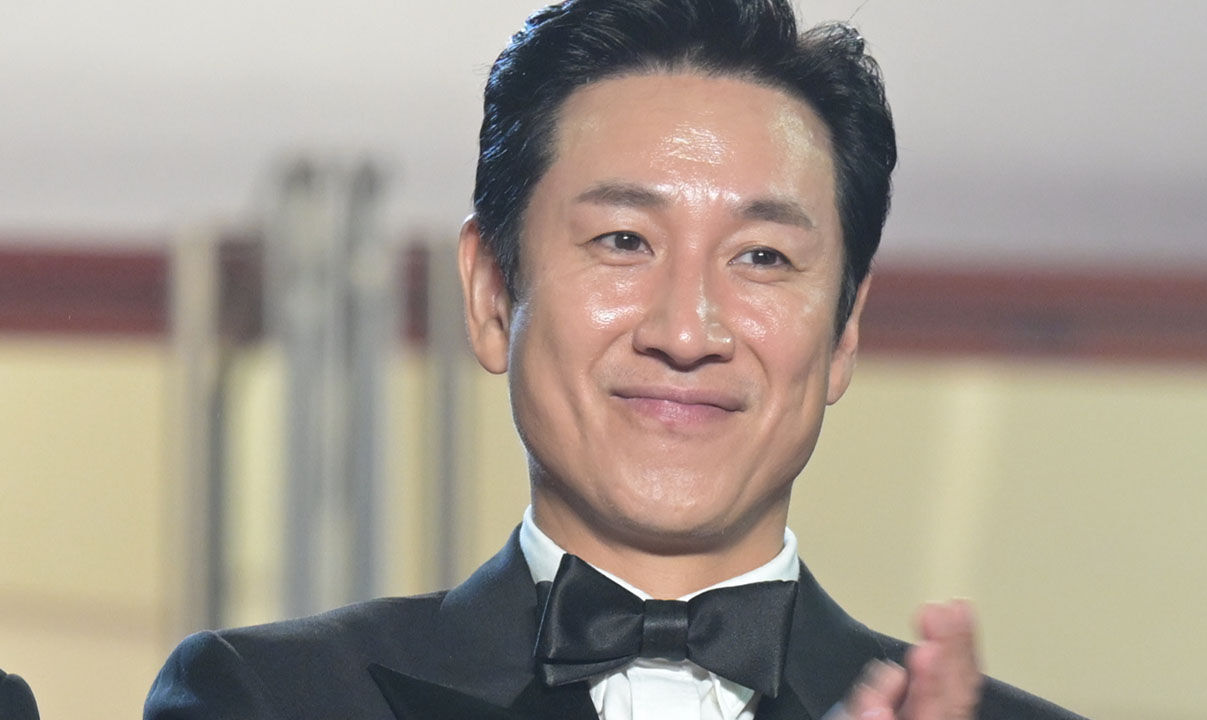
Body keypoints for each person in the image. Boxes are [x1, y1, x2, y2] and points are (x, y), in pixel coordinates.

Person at [145, 1, 1084, 718]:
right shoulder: (268, 695)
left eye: (763, 257)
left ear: (843, 334)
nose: (687, 331)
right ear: (490, 293)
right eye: (624, 241)